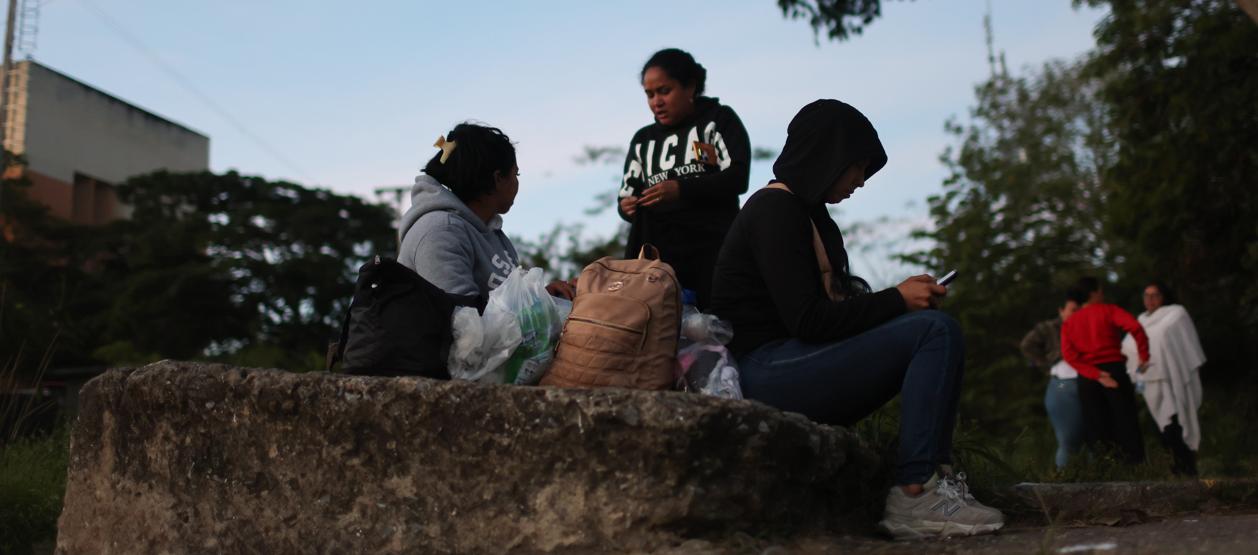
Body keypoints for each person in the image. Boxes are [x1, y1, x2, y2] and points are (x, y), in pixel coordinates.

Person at [709, 99, 1004, 539]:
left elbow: (832, 315)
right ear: (827, 156)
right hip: (760, 370)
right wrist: (897, 301)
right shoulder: (774, 211)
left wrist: (899, 305)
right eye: (856, 167)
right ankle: (915, 492)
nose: (861, 181)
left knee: (930, 329)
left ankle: (932, 482)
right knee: (933, 332)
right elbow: (809, 321)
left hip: (790, 360)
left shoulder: (812, 217)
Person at [618, 48, 750, 309]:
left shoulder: (718, 120)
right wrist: (627, 206)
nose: (657, 101)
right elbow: (626, 195)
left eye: (664, 91)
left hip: (714, 250)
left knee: (717, 323)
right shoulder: (643, 140)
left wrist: (681, 189)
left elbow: (737, 177)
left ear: (690, 87)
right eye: (650, 94)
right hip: (659, 260)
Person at [397, 122, 574, 307]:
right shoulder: (440, 232)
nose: (517, 182)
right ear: (498, 178)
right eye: (516, 174)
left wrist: (544, 298)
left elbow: (506, 309)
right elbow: (463, 324)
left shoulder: (491, 231)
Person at [1060, 276, 1149, 465]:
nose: (1102, 294)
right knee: (1126, 423)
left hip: (1087, 378)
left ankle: (1106, 471)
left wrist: (1096, 375)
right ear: (1093, 293)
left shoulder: (1070, 322)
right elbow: (1135, 328)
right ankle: (1135, 470)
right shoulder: (1109, 310)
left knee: (1096, 427)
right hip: (1114, 371)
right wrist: (1144, 355)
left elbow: (1069, 355)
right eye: (1100, 290)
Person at [1122, 281, 1204, 475]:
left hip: (1173, 378)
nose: (1150, 300)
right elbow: (1127, 347)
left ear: (1164, 296)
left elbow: (1163, 341)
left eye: (1155, 295)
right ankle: (1176, 472)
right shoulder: (1140, 320)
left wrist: (1145, 352)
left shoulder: (1175, 314)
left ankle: (1188, 472)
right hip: (1150, 382)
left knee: (1177, 426)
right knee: (1163, 431)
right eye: (1146, 295)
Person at [1020, 298, 1084, 469]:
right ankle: (1063, 480)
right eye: (1073, 309)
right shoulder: (1049, 327)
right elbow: (1027, 345)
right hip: (1063, 382)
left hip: (1086, 381)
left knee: (1092, 438)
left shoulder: (1086, 325)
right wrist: (1046, 364)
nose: (1077, 313)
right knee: (1068, 440)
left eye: (1079, 309)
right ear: (1061, 310)